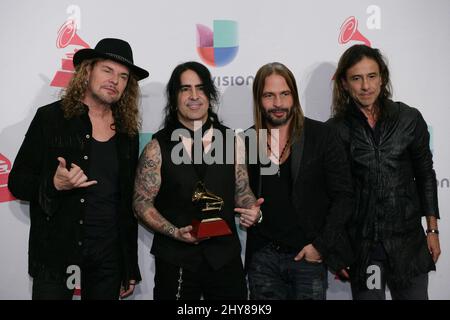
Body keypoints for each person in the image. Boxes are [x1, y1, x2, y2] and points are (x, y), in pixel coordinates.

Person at [8, 38, 149, 300]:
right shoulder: (50, 118)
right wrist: (54, 183)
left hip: (108, 258)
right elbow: (17, 182)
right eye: (107, 70)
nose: (114, 80)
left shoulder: (128, 132)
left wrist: (129, 264)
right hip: (56, 254)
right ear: (88, 70)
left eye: (123, 77)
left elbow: (126, 204)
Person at [133, 61, 262, 300]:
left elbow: (242, 190)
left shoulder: (232, 142)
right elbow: (141, 203)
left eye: (200, 88)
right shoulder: (157, 147)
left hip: (225, 258)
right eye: (185, 89)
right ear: (174, 97)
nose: (194, 96)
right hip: (176, 259)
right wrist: (174, 232)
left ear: (209, 94)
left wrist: (253, 211)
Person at [328, 44, 441, 300]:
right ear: (344, 83)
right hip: (365, 250)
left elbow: (425, 175)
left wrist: (432, 231)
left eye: (372, 76)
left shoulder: (408, 119)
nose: (366, 86)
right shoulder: (335, 131)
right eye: (357, 78)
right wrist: (338, 250)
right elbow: (332, 195)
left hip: (408, 246)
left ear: (382, 78)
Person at [244, 62, 354, 300]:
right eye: (269, 95)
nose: (278, 103)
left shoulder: (321, 135)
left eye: (285, 94)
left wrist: (321, 246)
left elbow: (344, 196)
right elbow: (238, 193)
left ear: (293, 95)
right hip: (263, 259)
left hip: (307, 256)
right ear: (258, 99)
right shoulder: (247, 141)